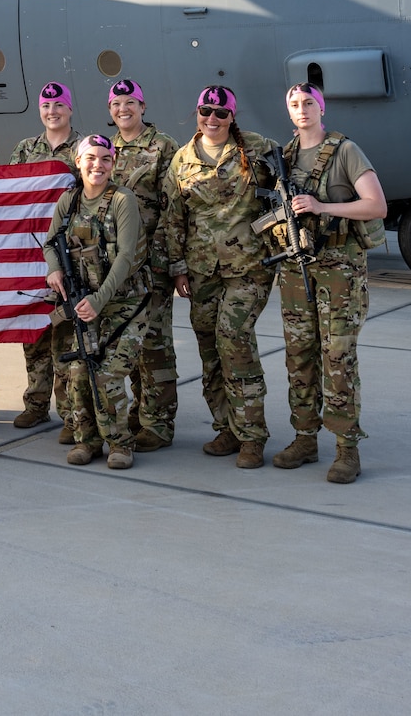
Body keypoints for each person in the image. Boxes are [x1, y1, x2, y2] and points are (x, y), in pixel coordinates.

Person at [157, 86, 278, 470]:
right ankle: (225, 428)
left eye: (221, 114)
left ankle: (252, 436)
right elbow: (173, 218)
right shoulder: (182, 159)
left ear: (232, 117)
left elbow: (286, 188)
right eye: (205, 111)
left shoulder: (257, 149)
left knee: (235, 342)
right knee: (210, 351)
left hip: (248, 268)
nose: (212, 119)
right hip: (201, 270)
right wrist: (177, 268)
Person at [270, 84, 387, 484]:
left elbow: (376, 204)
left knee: (337, 358)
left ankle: (347, 448)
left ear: (322, 108)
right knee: (299, 356)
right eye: (294, 105)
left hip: (340, 269)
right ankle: (305, 438)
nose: (302, 110)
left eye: (308, 104)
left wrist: (322, 206)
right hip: (295, 269)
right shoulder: (283, 156)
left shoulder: (345, 151)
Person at [43, 135, 152, 469]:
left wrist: (98, 300)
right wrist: (54, 271)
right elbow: (49, 242)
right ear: (78, 161)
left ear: (113, 164)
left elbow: (125, 258)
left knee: (108, 373)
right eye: (90, 158)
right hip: (85, 302)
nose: (98, 165)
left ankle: (119, 444)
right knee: (77, 370)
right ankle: (85, 441)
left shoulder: (123, 200)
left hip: (125, 303)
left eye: (105, 159)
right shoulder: (69, 201)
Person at [106, 78, 180, 452]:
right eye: (117, 104)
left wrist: (172, 262)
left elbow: (174, 207)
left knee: (154, 344)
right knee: (125, 345)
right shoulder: (106, 149)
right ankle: (136, 414)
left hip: (152, 263)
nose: (124, 109)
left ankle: (159, 423)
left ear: (143, 106)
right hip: (117, 268)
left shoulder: (163, 146)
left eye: (130, 103)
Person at [8, 80, 78, 434]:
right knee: (33, 335)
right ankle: (36, 404)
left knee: (66, 336)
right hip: (30, 256)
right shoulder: (25, 149)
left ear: (69, 109)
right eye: (46, 106)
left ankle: (70, 414)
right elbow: (8, 195)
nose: (52, 112)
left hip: (71, 257)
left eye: (59, 106)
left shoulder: (83, 149)